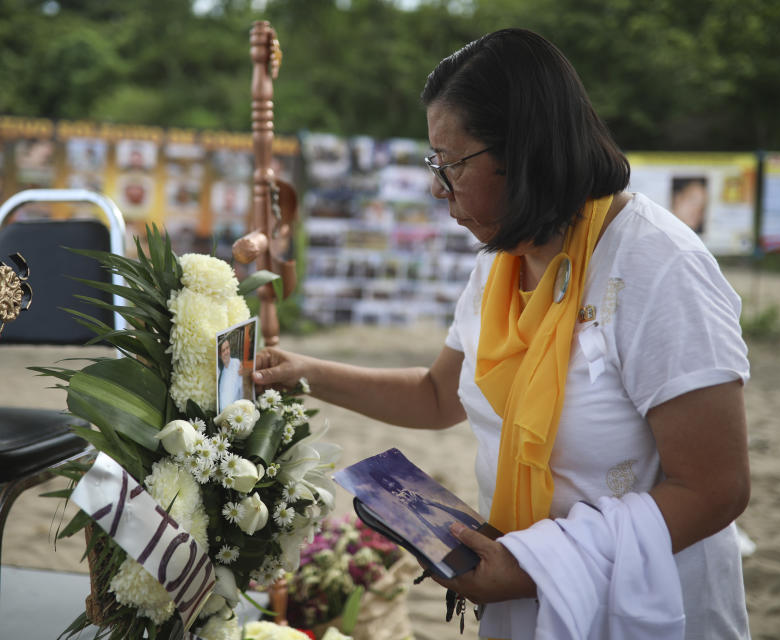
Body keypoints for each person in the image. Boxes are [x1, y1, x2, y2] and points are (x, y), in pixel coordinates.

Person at [254, 28, 750, 639]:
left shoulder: (657, 265)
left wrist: (536, 564)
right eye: (433, 164)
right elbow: (440, 395)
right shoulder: (502, 261)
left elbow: (715, 488)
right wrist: (300, 371)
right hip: (531, 590)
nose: (438, 188)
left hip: (645, 607)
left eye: (451, 164)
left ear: (526, 151)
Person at [217, 337, 244, 412]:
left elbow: (240, 388)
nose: (226, 352)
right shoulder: (218, 370)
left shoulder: (236, 363)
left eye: (227, 348)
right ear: (219, 354)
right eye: (223, 350)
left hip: (237, 409)